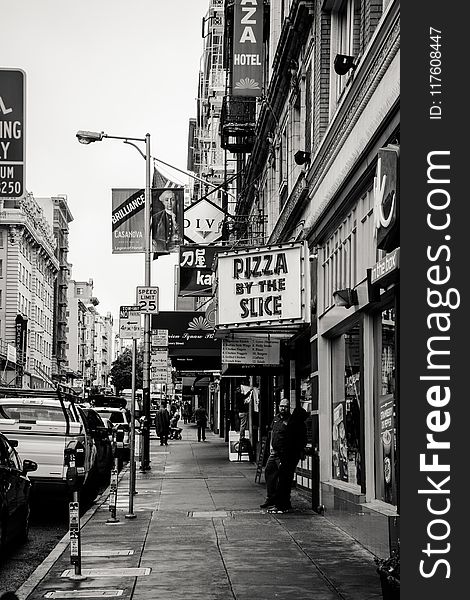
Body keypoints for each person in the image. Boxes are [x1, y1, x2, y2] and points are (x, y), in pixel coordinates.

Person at [260, 398, 308, 513]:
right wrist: (271, 447)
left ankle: (281, 502)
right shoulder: (276, 418)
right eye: (281, 406)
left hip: (284, 454)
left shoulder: (292, 422)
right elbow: (272, 432)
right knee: (269, 472)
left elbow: (295, 440)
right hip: (275, 452)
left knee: (283, 479)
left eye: (285, 406)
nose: (283, 408)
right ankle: (271, 498)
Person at [151, 188, 181, 254]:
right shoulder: (156, 217)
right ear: (163, 202)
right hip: (160, 249)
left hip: (175, 249)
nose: (169, 203)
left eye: (172, 200)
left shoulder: (180, 216)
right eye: (167, 200)